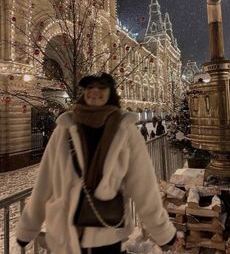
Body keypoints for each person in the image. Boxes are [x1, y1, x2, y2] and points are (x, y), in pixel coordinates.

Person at [16, 72, 177, 254]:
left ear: (111, 93)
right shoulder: (65, 127)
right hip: (65, 234)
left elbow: (143, 186)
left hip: (106, 234)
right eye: (90, 87)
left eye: (101, 87)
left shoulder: (125, 131)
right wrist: (29, 226)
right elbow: (45, 182)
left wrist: (161, 230)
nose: (94, 91)